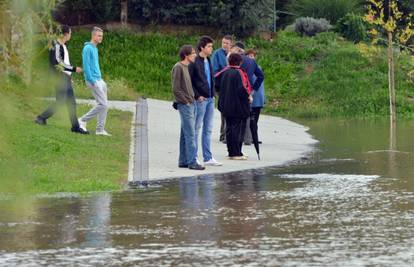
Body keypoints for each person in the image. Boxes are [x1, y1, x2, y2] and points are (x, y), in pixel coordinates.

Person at [35, 25, 89, 135]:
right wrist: (74, 69)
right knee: (61, 102)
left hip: (65, 78)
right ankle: (41, 118)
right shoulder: (56, 45)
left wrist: (69, 76)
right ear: (66, 34)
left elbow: (65, 62)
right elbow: (58, 63)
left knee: (71, 103)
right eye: (70, 33)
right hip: (59, 78)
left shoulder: (63, 46)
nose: (70, 35)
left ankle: (75, 127)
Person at [189, 36, 222, 166]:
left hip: (210, 98)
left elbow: (211, 79)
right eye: (209, 46)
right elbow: (190, 81)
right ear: (202, 47)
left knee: (208, 129)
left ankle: (208, 157)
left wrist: (213, 94)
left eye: (211, 46)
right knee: (196, 128)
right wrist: (197, 95)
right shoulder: (194, 61)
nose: (211, 48)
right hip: (200, 100)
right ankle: (194, 156)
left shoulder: (209, 60)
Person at [172, 45, 205, 170]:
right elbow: (176, 88)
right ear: (186, 55)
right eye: (192, 53)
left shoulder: (187, 67)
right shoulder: (178, 67)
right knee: (190, 134)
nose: (195, 55)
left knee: (185, 133)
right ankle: (192, 161)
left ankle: (183, 160)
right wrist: (185, 102)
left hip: (191, 103)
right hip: (185, 105)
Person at [217, 53, 252, 160]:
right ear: (240, 62)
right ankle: (236, 153)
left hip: (225, 105)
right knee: (237, 129)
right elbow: (243, 89)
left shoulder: (224, 72)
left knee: (229, 128)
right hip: (237, 106)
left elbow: (217, 86)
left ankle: (232, 152)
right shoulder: (239, 72)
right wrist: (249, 97)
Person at [78, 27, 111, 136]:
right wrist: (92, 80)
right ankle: (82, 120)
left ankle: (100, 130)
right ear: (93, 36)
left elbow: (94, 65)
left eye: (101, 36)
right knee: (103, 104)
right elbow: (86, 66)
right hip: (93, 80)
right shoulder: (87, 48)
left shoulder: (95, 48)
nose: (100, 38)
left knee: (103, 105)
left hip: (99, 80)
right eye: (99, 36)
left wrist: (101, 80)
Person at [212, 35, 233, 144]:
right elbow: (214, 71)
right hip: (221, 86)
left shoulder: (233, 54)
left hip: (232, 85)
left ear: (231, 44)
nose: (224, 45)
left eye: (227, 43)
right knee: (224, 110)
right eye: (223, 42)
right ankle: (223, 134)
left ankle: (227, 133)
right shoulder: (217, 54)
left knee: (230, 110)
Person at [245, 49, 265, 144]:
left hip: (257, 97)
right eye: (249, 56)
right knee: (249, 119)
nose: (251, 58)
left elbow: (261, 85)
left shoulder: (258, 67)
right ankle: (249, 137)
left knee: (255, 119)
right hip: (250, 96)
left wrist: (262, 98)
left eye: (252, 56)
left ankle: (254, 137)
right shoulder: (247, 68)